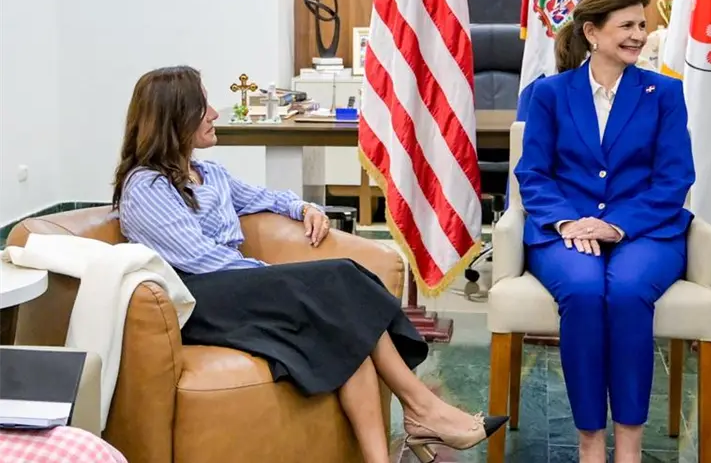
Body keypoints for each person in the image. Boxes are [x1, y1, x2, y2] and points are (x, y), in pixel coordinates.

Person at [111, 66, 506, 463]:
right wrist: (280, 280)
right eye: (202, 106)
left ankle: (386, 451)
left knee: (348, 337)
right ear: (174, 119)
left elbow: (265, 198)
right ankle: (422, 409)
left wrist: (304, 207)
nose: (214, 112)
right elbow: (200, 261)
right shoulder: (146, 186)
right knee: (339, 277)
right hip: (200, 299)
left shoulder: (209, 173)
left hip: (238, 289)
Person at [513, 0, 694, 463]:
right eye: (627, 25)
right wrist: (569, 223)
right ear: (592, 32)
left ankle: (630, 444)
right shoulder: (549, 94)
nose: (638, 35)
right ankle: (591, 440)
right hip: (565, 230)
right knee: (585, 292)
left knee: (630, 292)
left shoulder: (665, 94)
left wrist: (616, 225)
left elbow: (674, 179)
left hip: (647, 230)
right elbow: (533, 173)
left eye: (642, 25)